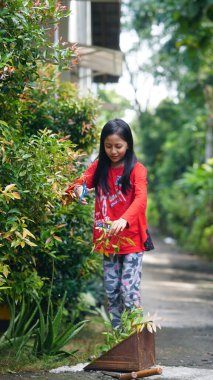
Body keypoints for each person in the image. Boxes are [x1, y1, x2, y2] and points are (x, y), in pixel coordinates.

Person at [65, 118, 152, 329]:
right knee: (112, 291)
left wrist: (123, 219)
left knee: (129, 292)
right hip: (108, 240)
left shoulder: (137, 170)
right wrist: (78, 190)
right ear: (103, 145)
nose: (113, 151)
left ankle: (135, 339)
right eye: (108, 146)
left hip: (132, 240)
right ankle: (117, 338)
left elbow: (141, 200)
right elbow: (80, 184)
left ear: (128, 144)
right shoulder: (99, 167)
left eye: (118, 146)